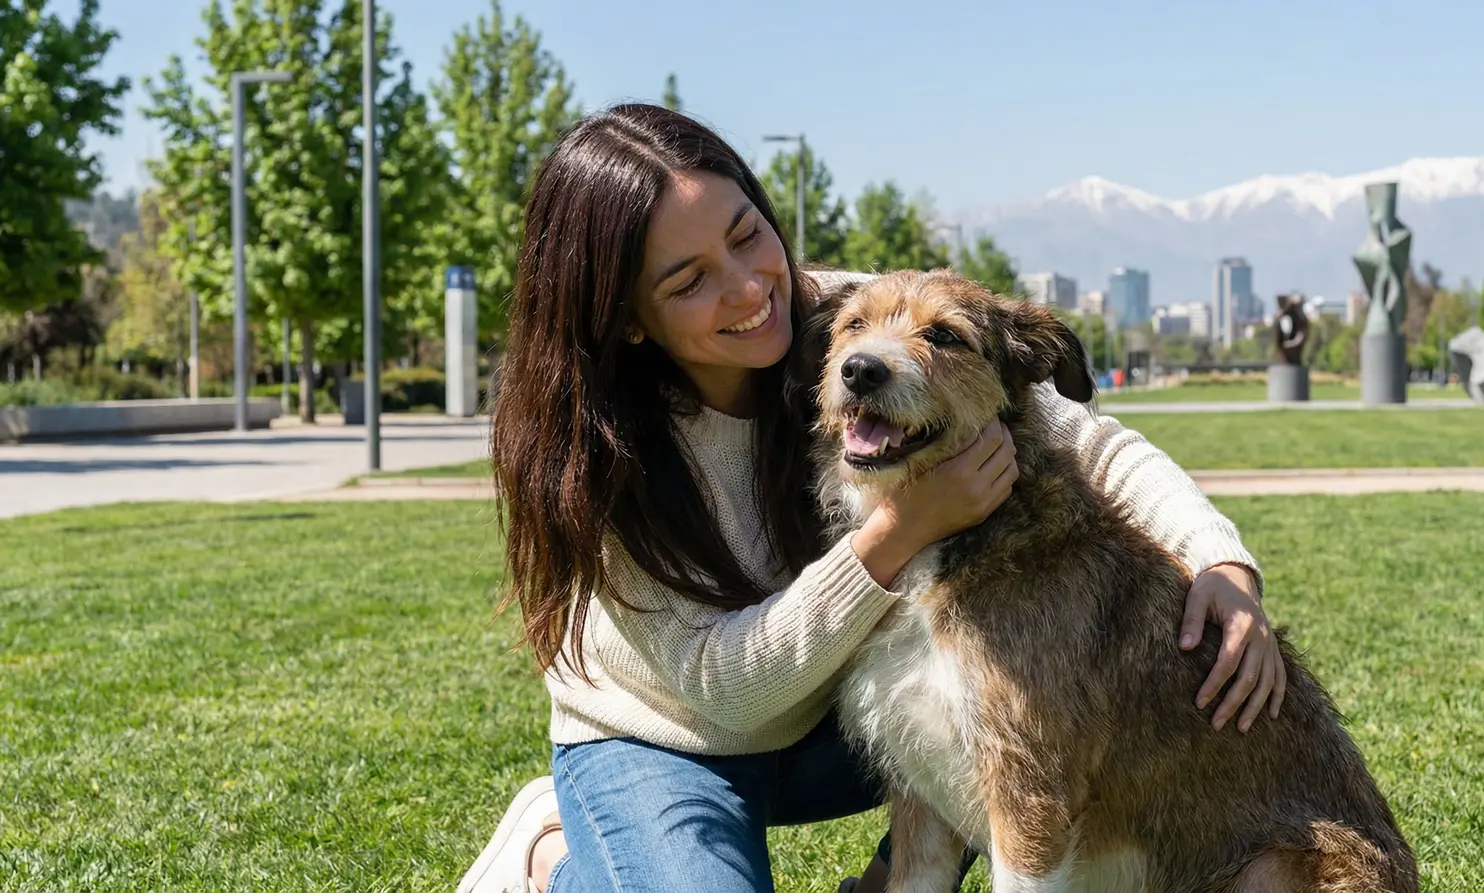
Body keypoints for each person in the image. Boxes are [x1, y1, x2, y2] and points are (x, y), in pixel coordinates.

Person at [457, 104, 1286, 893]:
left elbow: (1092, 439)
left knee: (989, 703)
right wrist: (904, 525)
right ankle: (556, 856)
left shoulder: (846, 312)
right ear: (628, 317)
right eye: (690, 280)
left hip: (824, 721)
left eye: (749, 235)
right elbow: (722, 688)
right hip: (669, 737)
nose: (750, 288)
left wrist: (1219, 560)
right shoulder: (599, 451)